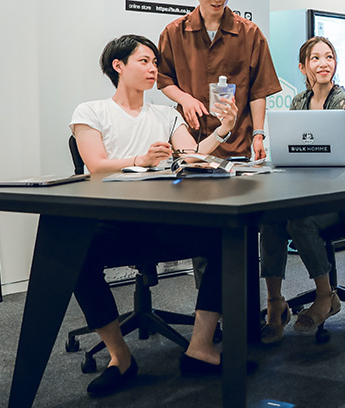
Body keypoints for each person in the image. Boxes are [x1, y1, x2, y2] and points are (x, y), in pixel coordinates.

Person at [69, 34, 238, 397]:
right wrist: (140, 160)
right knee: (75, 255)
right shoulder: (90, 112)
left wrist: (223, 130)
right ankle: (120, 357)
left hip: (163, 222)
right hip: (114, 223)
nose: (153, 70)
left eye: (155, 63)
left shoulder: (166, 114)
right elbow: (95, 165)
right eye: (144, 61)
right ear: (118, 66)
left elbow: (192, 157)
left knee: (227, 238)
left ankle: (201, 348)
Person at [258, 36, 345, 344]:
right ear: (303, 67)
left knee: (299, 222)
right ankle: (275, 301)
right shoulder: (298, 102)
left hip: (342, 197)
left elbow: (338, 157)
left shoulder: (342, 101)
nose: (323, 63)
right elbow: (293, 151)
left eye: (329, 57)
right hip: (306, 192)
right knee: (270, 219)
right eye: (315, 58)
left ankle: (326, 296)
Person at [157, 0, 281, 161]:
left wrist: (258, 134)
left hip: (236, 144)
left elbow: (258, 90)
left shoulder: (250, 34)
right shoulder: (174, 32)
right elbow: (164, 79)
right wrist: (184, 99)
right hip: (190, 142)